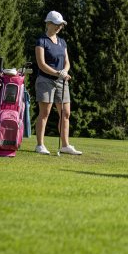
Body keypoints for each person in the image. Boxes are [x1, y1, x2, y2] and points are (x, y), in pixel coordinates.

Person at [34, 10, 82, 155]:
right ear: (48, 24)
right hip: (45, 80)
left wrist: (64, 72)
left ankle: (65, 145)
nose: (58, 27)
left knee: (66, 113)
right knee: (45, 112)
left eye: (60, 25)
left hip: (61, 81)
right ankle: (40, 145)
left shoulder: (62, 42)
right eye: (56, 24)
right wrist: (57, 73)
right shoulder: (41, 41)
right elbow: (41, 64)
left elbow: (67, 62)